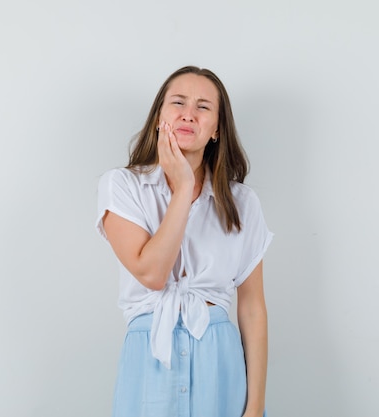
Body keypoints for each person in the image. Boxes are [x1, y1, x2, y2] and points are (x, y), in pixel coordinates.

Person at [96, 66, 273, 417]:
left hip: (219, 356)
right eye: (178, 102)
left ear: (217, 129)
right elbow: (152, 273)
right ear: (159, 115)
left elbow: (252, 308)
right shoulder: (122, 186)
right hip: (149, 355)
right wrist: (179, 190)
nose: (189, 114)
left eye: (203, 106)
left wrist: (255, 407)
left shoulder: (242, 203)